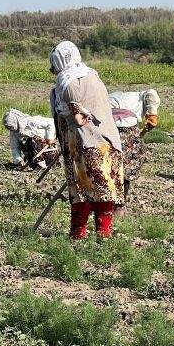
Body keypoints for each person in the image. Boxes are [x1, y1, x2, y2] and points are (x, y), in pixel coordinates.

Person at [49, 41, 124, 239]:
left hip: (83, 145)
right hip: (109, 142)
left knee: (81, 189)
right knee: (104, 188)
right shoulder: (93, 74)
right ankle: (104, 233)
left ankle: (78, 234)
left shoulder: (66, 82)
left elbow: (71, 116)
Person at [108, 89, 161, 200]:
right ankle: (119, 203)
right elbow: (151, 95)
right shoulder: (141, 95)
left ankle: (106, 201)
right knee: (128, 165)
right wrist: (152, 114)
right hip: (126, 128)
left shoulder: (111, 96)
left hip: (108, 127)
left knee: (109, 164)